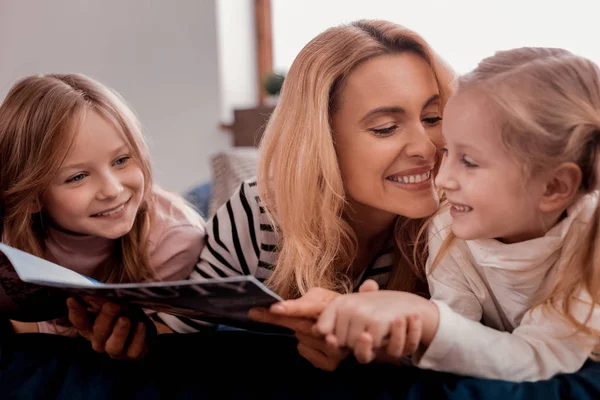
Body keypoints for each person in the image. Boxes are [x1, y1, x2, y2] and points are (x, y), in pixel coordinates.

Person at [68, 19, 454, 368]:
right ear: (320, 140)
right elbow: (177, 330)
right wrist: (131, 340)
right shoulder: (257, 214)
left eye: (433, 118)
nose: (426, 147)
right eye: (386, 127)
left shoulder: (461, 217)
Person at [315, 47, 600, 381]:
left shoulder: (590, 241)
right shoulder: (447, 228)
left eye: (469, 161)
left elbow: (538, 357)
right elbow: (455, 345)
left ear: (553, 187)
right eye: (447, 150)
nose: (441, 178)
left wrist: (426, 317)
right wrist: (395, 330)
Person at [0, 73, 206, 359]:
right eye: (78, 176)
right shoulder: (11, 234)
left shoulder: (175, 240)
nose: (112, 189)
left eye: (122, 160)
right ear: (32, 196)